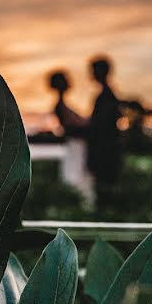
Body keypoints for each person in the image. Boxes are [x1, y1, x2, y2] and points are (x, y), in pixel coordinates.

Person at [47, 70, 94, 207]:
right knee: (77, 175)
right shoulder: (59, 106)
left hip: (78, 145)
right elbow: (70, 129)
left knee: (81, 176)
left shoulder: (63, 105)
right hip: (75, 146)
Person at [87, 56, 122, 206]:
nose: (91, 74)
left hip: (105, 150)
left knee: (105, 186)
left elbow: (102, 126)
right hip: (107, 148)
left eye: (93, 70)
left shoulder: (106, 96)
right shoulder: (108, 95)